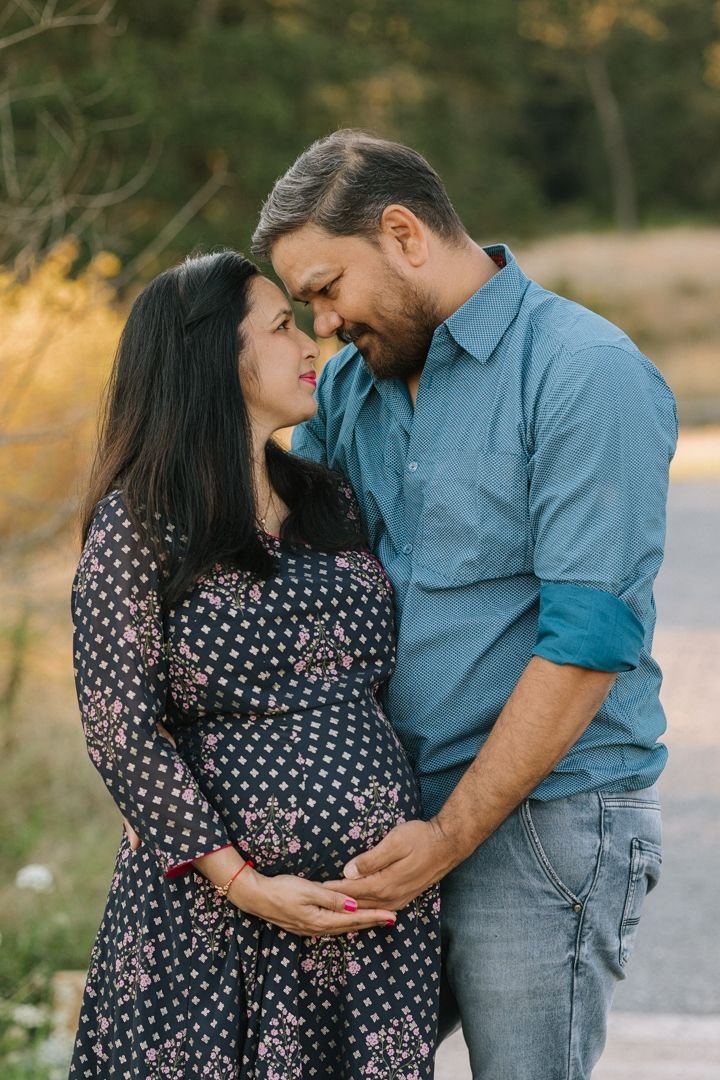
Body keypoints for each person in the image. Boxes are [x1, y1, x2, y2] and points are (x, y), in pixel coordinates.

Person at [251, 130, 678, 1080]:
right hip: (386, 819)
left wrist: (449, 838)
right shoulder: (350, 388)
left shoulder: (582, 372)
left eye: (327, 288)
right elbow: (281, 575)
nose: (323, 322)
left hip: (543, 820)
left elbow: (588, 640)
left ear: (404, 234)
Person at [70, 250, 440, 1079]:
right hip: (214, 924)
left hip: (367, 927)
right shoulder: (140, 524)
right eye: (280, 327)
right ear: (213, 358)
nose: (311, 342)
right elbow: (119, 729)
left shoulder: (326, 498)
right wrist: (244, 883)